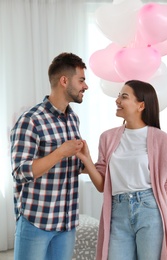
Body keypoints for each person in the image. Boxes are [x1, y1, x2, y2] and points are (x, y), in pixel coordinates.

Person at [76, 80, 167, 260]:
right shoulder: (107, 138)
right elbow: (102, 185)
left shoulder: (162, 140)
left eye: (124, 96)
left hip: (150, 211)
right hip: (117, 211)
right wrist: (86, 159)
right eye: (118, 95)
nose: (117, 100)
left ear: (141, 105)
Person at [10, 52, 88, 260]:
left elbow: (70, 168)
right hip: (37, 221)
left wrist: (86, 161)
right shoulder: (30, 120)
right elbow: (20, 172)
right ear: (64, 81)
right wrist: (60, 152)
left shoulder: (73, 119)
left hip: (66, 223)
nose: (85, 86)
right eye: (81, 80)